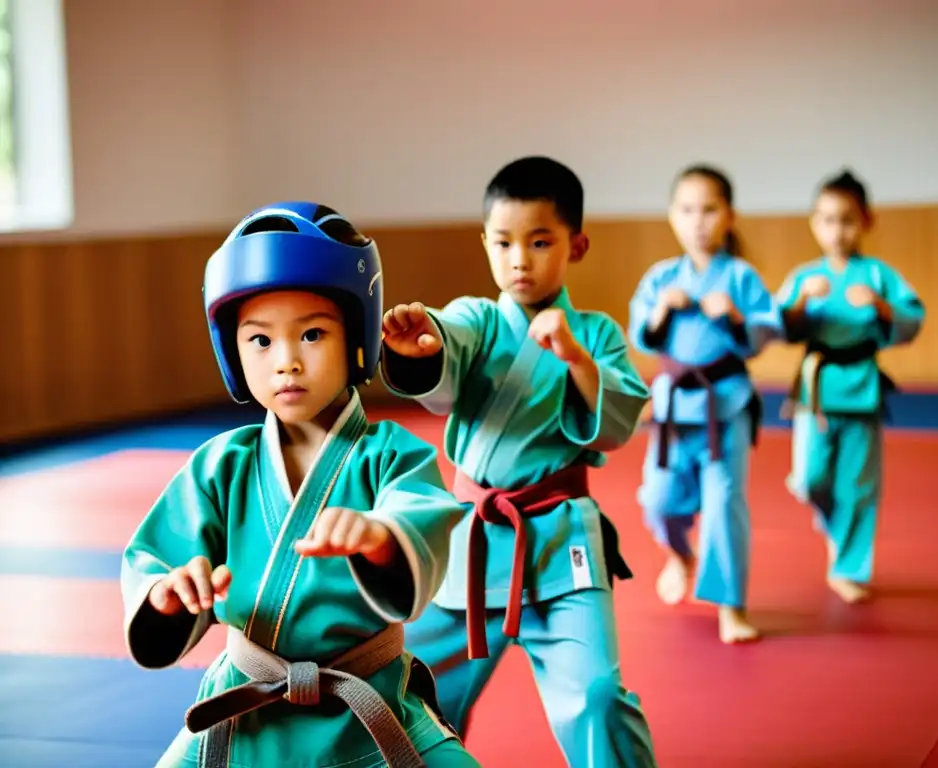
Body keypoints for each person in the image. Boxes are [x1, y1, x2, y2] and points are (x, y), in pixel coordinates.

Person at [120, 202, 481, 768]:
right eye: (260, 341)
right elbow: (156, 560)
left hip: (369, 709)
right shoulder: (221, 466)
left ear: (358, 337)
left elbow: (422, 518)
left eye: (312, 334)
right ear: (232, 353)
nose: (286, 362)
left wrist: (381, 538)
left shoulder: (392, 456)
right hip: (243, 714)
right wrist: (168, 595)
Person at [379, 157, 659, 767]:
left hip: (561, 543)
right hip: (470, 544)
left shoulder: (598, 334)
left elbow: (617, 424)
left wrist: (577, 359)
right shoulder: (477, 320)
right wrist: (422, 347)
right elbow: (446, 346)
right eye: (503, 243)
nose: (519, 260)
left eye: (539, 242)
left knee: (598, 693)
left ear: (575, 246)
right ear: (484, 243)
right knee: (411, 696)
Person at [628, 165, 783, 644]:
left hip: (726, 405)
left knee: (724, 505)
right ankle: (679, 554)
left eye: (710, 209)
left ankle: (730, 605)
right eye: (687, 209)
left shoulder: (739, 277)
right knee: (659, 499)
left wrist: (734, 316)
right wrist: (660, 312)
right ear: (673, 216)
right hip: (674, 407)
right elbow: (641, 335)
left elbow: (765, 331)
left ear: (729, 216)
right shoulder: (661, 279)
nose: (698, 220)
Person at [776, 170, 925, 604]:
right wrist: (802, 303)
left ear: (866, 221)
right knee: (809, 479)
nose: (837, 231)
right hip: (817, 389)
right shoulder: (805, 277)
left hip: (861, 389)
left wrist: (879, 305)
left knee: (857, 487)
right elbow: (778, 327)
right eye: (827, 220)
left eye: (847, 220)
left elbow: (911, 321)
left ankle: (846, 568)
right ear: (813, 223)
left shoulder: (878, 276)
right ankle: (836, 527)